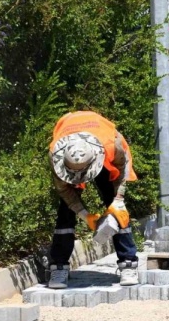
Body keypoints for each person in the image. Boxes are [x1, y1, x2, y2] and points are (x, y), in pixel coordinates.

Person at [48, 111, 139, 288]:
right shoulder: (56, 154)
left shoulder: (113, 144)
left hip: (104, 156)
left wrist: (118, 200)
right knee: (65, 212)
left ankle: (128, 264)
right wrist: (84, 215)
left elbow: (122, 169)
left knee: (117, 209)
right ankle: (59, 267)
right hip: (73, 157)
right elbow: (65, 191)